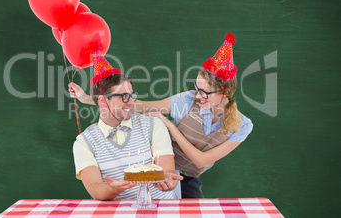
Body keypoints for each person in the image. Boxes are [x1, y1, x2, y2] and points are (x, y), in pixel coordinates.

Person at [70, 34, 253, 198]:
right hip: (164, 168)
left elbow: (201, 161)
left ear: (225, 92)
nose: (198, 96)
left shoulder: (242, 125)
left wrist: (171, 127)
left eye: (205, 92)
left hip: (187, 176)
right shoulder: (187, 100)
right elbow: (142, 107)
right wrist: (89, 99)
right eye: (197, 89)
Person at [72, 53, 182, 200]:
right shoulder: (84, 142)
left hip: (160, 209)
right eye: (123, 96)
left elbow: (167, 169)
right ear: (103, 101)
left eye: (131, 95)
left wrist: (169, 178)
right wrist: (113, 189)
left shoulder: (153, 124)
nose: (130, 102)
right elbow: (95, 188)